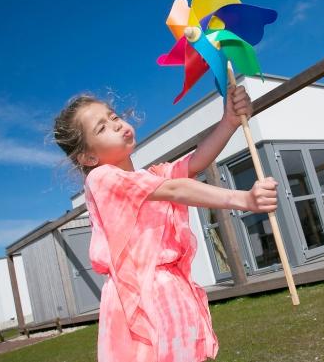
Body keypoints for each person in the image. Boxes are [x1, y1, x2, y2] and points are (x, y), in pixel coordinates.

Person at [53, 86, 278, 362]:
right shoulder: (101, 179)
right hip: (139, 298)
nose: (116, 124)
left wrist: (229, 121)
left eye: (113, 117)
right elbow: (174, 189)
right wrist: (244, 199)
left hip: (171, 292)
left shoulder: (150, 177)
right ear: (88, 158)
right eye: (102, 128)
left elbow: (193, 163)